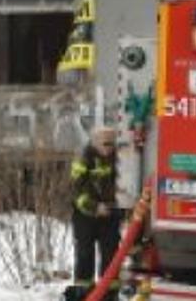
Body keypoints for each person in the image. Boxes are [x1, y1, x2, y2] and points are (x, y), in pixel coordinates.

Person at [67, 126, 121, 301]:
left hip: (110, 213)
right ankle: (84, 293)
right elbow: (77, 191)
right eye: (106, 144)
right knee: (85, 253)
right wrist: (95, 207)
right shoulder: (83, 158)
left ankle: (110, 294)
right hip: (85, 215)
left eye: (113, 144)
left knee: (111, 255)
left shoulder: (118, 156)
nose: (109, 148)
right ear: (95, 142)